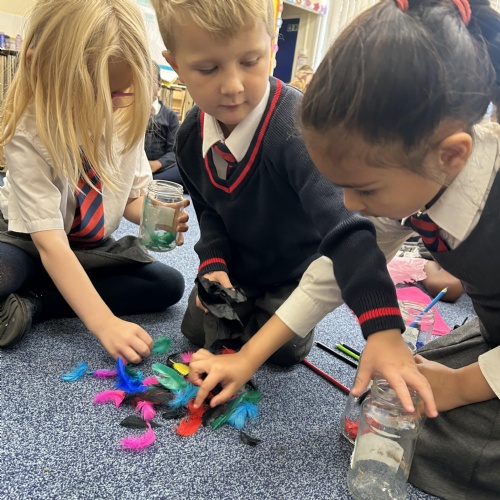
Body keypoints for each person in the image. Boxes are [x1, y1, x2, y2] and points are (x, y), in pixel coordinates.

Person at [151, 0, 436, 417]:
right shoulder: (190, 135)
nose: (233, 86)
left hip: (294, 273)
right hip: (239, 269)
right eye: (208, 69)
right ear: (176, 65)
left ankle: (269, 318)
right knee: (197, 329)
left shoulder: (296, 130)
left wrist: (382, 325)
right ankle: (249, 310)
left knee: (283, 352)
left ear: (272, 45)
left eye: (250, 61)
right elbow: (208, 211)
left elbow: (348, 229)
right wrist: (212, 263)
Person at [298, 0, 500, 497]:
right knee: (395, 389)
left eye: (364, 189)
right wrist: (249, 356)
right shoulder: (417, 171)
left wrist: (461, 386)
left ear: (451, 156)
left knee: (425, 439)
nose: (349, 205)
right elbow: (335, 271)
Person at [0, 0, 190, 363]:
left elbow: (130, 200)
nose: (109, 107)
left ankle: (37, 301)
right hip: (29, 240)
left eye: (119, 93)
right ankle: (58, 286)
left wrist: (154, 214)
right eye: (92, 92)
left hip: (90, 247)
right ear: (40, 67)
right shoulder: (28, 129)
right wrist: (103, 323)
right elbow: (49, 243)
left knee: (167, 285)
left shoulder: (125, 116)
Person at [145, 61, 184, 186]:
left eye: (150, 80)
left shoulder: (170, 116)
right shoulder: (128, 111)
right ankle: (148, 182)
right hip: (134, 167)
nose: (145, 85)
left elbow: (174, 152)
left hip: (160, 169)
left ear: (159, 85)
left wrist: (157, 164)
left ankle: (149, 182)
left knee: (184, 171)